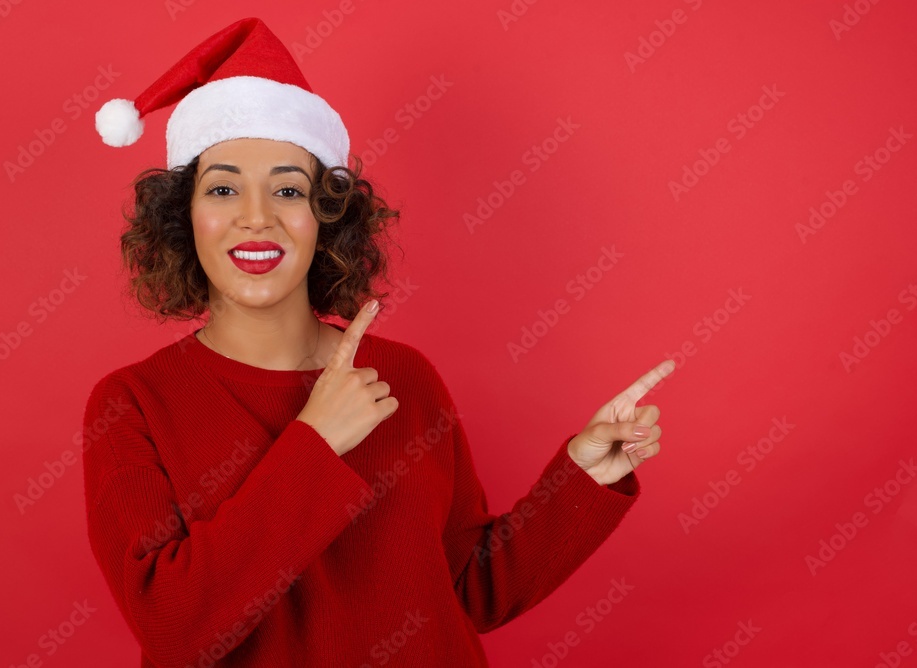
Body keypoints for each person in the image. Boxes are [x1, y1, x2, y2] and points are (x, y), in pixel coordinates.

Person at [82, 16, 674, 668]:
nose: (257, 216)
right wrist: (315, 441)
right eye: (223, 188)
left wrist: (585, 475)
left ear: (327, 216)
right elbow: (175, 626)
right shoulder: (132, 405)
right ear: (181, 215)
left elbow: (469, 589)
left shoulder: (404, 376)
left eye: (288, 189)